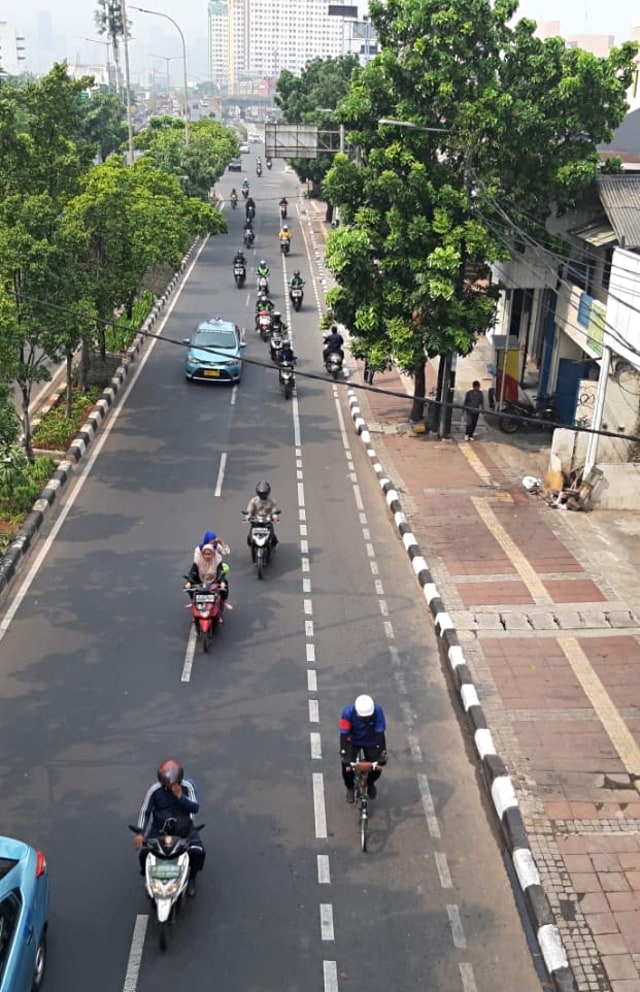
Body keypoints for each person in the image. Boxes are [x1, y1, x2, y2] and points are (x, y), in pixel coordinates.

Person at [134, 760, 205, 897]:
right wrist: (140, 832)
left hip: (183, 827)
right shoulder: (154, 790)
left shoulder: (188, 786)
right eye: (167, 784)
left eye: (174, 783)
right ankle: (148, 878)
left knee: (198, 852)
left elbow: (195, 807)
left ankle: (192, 879)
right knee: (144, 853)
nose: (171, 787)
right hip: (160, 829)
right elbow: (145, 811)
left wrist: (180, 797)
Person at [340, 694, 387, 802]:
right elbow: (343, 733)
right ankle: (350, 788)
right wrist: (344, 753)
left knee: (377, 768)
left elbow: (380, 733)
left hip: (371, 741)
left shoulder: (378, 711)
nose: (365, 719)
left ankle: (370, 783)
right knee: (346, 769)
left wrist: (382, 752)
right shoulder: (347, 713)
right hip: (352, 741)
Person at [185, 541, 232, 613]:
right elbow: (192, 572)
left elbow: (220, 572)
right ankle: (193, 602)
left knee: (225, 583)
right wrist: (189, 582)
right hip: (201, 581)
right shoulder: (197, 561)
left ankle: (224, 602)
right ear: (202, 554)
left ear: (213, 554)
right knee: (190, 586)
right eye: (205, 554)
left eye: (209, 554)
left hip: (214, 581)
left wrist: (222, 581)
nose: (207, 556)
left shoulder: (217, 560)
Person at [243, 481, 279, 547]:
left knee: (273, 539)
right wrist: (248, 516)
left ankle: (272, 547)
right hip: (256, 521)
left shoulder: (271, 502)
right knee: (249, 539)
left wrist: (275, 516)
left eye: (264, 493)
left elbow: (274, 511)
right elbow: (249, 510)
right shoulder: (254, 501)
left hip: (267, 522)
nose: (263, 495)